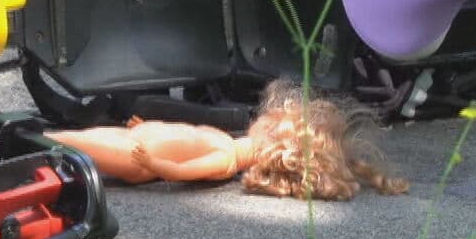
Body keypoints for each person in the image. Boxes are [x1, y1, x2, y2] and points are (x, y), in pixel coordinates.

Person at [45, 80, 407, 199]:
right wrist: (149, 127)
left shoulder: (227, 159)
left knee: (74, 146)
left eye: (272, 118)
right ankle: (31, 136)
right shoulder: (227, 143)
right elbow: (185, 136)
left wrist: (156, 165)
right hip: (139, 139)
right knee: (84, 139)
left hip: (137, 157)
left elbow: (188, 168)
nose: (263, 117)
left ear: (278, 139)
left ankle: (29, 137)